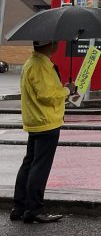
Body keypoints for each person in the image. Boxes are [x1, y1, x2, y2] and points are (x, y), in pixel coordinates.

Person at [12, 40, 75, 224]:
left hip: (35, 120)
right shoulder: (41, 66)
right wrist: (67, 90)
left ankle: (20, 206)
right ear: (50, 45)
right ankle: (34, 209)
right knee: (40, 166)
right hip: (47, 121)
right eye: (55, 42)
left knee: (29, 163)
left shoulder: (31, 62)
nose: (57, 44)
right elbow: (46, 95)